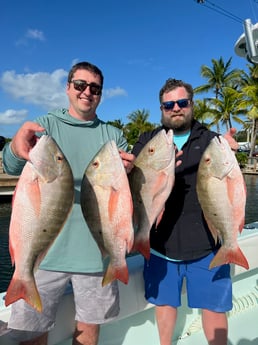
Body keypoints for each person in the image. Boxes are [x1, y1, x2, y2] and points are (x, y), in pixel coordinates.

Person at [2, 61, 134, 345]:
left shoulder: (114, 136)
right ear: (68, 88)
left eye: (95, 88)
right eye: (80, 85)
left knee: (89, 331)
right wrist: (15, 144)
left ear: (101, 94)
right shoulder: (45, 125)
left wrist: (132, 172)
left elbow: (125, 194)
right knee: (31, 335)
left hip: (96, 254)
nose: (87, 92)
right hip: (42, 257)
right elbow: (11, 165)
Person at [131, 78, 238, 345]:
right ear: (161, 108)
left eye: (182, 102)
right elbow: (132, 184)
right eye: (169, 104)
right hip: (159, 246)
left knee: (214, 308)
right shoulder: (147, 141)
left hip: (208, 245)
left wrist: (230, 153)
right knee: (165, 305)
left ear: (191, 104)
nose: (175, 108)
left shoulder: (212, 140)